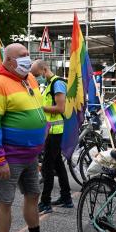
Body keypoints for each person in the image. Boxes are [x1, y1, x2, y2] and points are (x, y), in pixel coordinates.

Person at [0, 43, 61, 232]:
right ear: (8, 60)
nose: (27, 59)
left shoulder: (29, 78)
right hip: (10, 156)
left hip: (31, 155)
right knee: (5, 202)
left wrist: (43, 125)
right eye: (22, 56)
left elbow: (38, 106)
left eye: (28, 55)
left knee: (33, 196)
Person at [30, 59, 72, 214]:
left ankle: (45, 202)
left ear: (44, 70)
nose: (36, 78)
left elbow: (60, 108)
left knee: (47, 168)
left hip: (56, 132)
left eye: (36, 75)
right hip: (51, 132)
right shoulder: (50, 84)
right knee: (58, 166)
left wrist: (40, 108)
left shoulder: (57, 83)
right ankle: (66, 197)